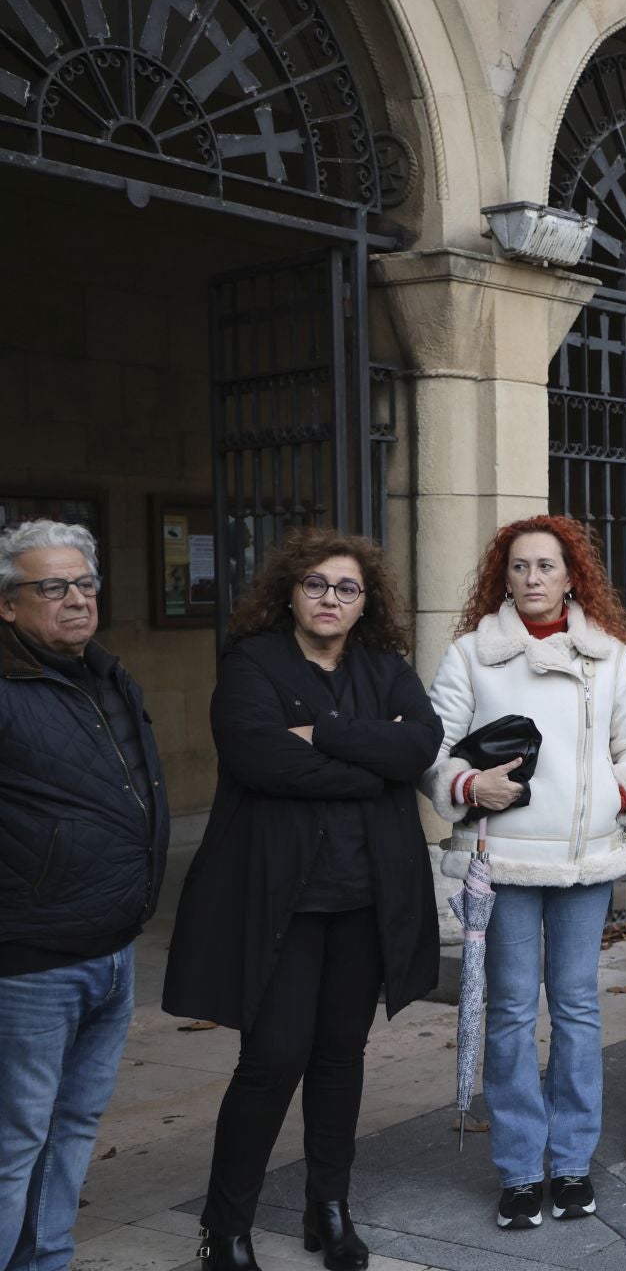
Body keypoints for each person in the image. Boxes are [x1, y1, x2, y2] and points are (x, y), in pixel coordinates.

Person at [161, 531, 440, 1270]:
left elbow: (419, 749)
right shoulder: (253, 663)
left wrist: (325, 735)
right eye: (315, 584)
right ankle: (225, 1227)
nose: (330, 599)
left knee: (340, 1054)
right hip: (282, 898)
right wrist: (366, 765)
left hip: (365, 898)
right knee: (274, 1056)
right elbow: (257, 756)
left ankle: (329, 1207)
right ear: (288, 591)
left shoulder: (385, 668)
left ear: (365, 601)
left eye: (346, 588)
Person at [424, 516, 626, 1230]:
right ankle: (522, 1170)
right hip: (504, 859)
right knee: (510, 1014)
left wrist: (616, 793)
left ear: (570, 576)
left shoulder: (608, 655)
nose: (533, 578)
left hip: (585, 859)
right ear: (505, 576)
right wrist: (469, 789)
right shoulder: (471, 654)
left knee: (579, 1010)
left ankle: (571, 1164)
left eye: (547, 566)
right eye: (521, 566)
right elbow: (432, 748)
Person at [0, 522, 167, 1271]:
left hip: (112, 950)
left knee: (73, 1127)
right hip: (31, 963)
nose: (76, 600)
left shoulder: (107, 675)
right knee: (14, 1142)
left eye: (86, 584)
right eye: (53, 587)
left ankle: (48, 1260)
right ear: (9, 605)